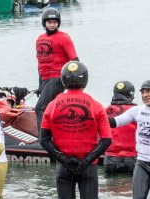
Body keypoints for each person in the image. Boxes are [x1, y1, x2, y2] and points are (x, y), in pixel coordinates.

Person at [40, 61, 112, 199]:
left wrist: (64, 159)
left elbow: (44, 140)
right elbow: (107, 140)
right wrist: (86, 161)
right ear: (85, 80)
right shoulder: (96, 106)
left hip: (63, 166)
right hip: (88, 167)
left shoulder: (51, 105)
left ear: (63, 80)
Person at [35, 7, 79, 140]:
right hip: (46, 79)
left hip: (57, 78)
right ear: (44, 23)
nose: (52, 24)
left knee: (40, 108)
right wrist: (40, 86)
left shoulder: (64, 38)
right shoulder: (39, 39)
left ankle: (43, 139)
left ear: (58, 23)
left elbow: (75, 61)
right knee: (51, 109)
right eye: (49, 22)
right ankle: (56, 135)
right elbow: (40, 64)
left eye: (55, 22)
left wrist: (74, 84)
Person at [104, 81, 137, 175]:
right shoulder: (137, 111)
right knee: (131, 188)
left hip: (110, 160)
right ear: (131, 96)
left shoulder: (104, 111)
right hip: (131, 159)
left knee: (110, 187)